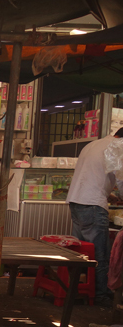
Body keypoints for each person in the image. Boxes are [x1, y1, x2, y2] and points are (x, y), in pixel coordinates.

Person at [65, 127, 123, 306]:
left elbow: (93, 176)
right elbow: (121, 178)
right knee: (100, 253)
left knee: (82, 252)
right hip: (92, 205)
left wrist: (110, 196)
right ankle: (101, 296)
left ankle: (77, 289)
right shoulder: (118, 147)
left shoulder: (94, 144)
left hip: (76, 201)